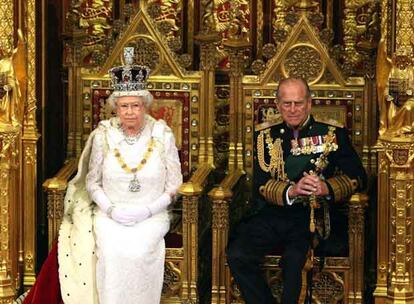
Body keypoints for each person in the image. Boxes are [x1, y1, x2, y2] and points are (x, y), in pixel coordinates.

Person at [25, 47, 183, 304]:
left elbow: (175, 183)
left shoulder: (162, 135)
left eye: (135, 105)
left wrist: (148, 210)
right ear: (115, 108)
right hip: (110, 216)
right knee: (111, 251)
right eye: (123, 106)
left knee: (140, 252)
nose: (130, 112)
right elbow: (92, 181)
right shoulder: (103, 136)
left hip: (151, 216)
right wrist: (110, 210)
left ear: (145, 106)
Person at [226, 77, 367, 304]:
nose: (292, 110)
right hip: (273, 212)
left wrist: (325, 187)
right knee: (238, 254)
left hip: (312, 216)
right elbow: (261, 183)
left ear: (309, 103)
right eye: (287, 103)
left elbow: (359, 177)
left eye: (298, 103)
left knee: (294, 261)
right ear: (278, 104)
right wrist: (291, 191)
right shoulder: (265, 136)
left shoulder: (331, 133)